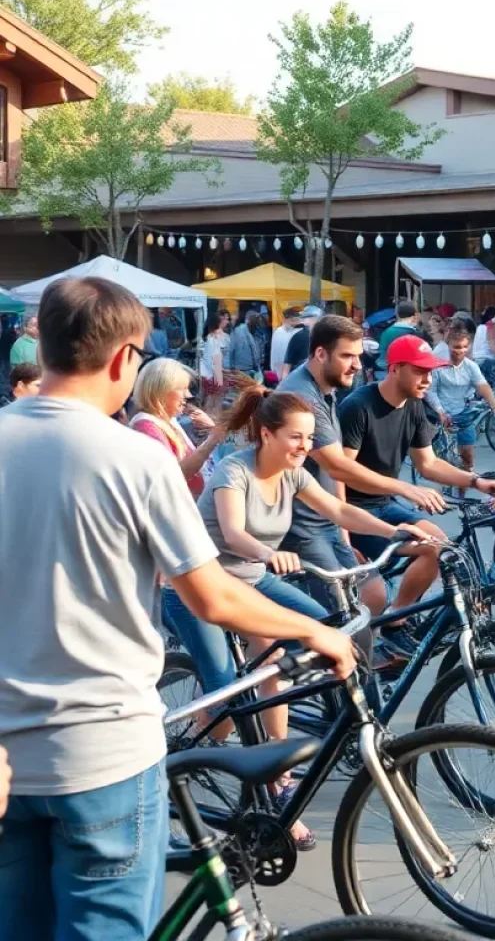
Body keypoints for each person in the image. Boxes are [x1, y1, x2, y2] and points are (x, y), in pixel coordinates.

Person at [0, 277, 356, 940]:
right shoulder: (134, 457)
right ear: (123, 360)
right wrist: (317, 630)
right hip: (103, 757)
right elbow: (211, 596)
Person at [189, 383, 424, 848]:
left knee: (326, 631)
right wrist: (267, 553)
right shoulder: (235, 471)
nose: (305, 446)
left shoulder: (295, 475)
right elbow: (233, 534)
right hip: (203, 586)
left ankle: (275, 773)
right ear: (266, 434)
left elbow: (338, 508)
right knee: (226, 691)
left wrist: (395, 529)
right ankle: (189, 750)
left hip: (253, 582)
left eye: (310, 437)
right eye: (296, 437)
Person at [339, 334, 495, 657]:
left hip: (385, 504)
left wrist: (476, 481)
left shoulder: (415, 407)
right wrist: (404, 488)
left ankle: (395, 620)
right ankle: (373, 640)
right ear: (395, 369)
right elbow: (343, 470)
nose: (428, 379)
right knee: (415, 556)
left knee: (440, 547)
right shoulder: (358, 407)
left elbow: (428, 463)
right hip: (352, 510)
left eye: (430, 371)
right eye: (420, 371)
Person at [278, 315, 433, 622]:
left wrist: (345, 532)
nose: (357, 365)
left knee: (373, 598)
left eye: (359, 356)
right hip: (299, 524)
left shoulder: (324, 389)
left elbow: (336, 472)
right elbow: (339, 466)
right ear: (321, 354)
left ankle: (367, 658)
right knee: (339, 615)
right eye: (347, 356)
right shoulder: (302, 396)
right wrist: (404, 487)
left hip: (325, 516)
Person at [129, 357, 227, 500]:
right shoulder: (145, 426)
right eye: (182, 389)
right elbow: (174, 476)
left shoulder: (167, 420)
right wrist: (211, 441)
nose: (188, 395)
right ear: (160, 391)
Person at [425, 324, 495, 477]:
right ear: (448, 345)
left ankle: (462, 494)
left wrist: (494, 404)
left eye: (465, 347)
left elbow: (482, 385)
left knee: (468, 460)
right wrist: (440, 411)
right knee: (444, 463)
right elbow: (430, 392)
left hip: (462, 413)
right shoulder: (439, 366)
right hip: (441, 414)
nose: (461, 351)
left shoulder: (471, 366)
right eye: (457, 347)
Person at [375, 299, 421, 373]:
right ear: (414, 315)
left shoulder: (386, 332)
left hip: (382, 370)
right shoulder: (413, 333)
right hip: (401, 373)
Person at [280, 304, 324, 379]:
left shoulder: (297, 336)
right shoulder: (326, 336)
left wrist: (283, 384)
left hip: (300, 380)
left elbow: (287, 364)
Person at [200, 310, 230, 406]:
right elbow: (213, 360)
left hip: (209, 374)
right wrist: (219, 379)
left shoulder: (208, 338)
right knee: (213, 402)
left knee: (210, 401)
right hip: (213, 375)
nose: (226, 321)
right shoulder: (212, 339)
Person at [228, 309, 263, 377]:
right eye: (255, 319)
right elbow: (231, 350)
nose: (258, 323)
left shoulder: (256, 333)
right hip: (240, 371)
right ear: (248, 319)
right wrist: (231, 368)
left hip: (251, 370)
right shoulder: (238, 331)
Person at [271, 306, 303, 379]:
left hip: (292, 371)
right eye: (293, 320)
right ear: (286, 319)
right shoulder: (278, 332)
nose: (296, 322)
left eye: (297, 320)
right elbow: (274, 353)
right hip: (280, 371)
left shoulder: (298, 332)